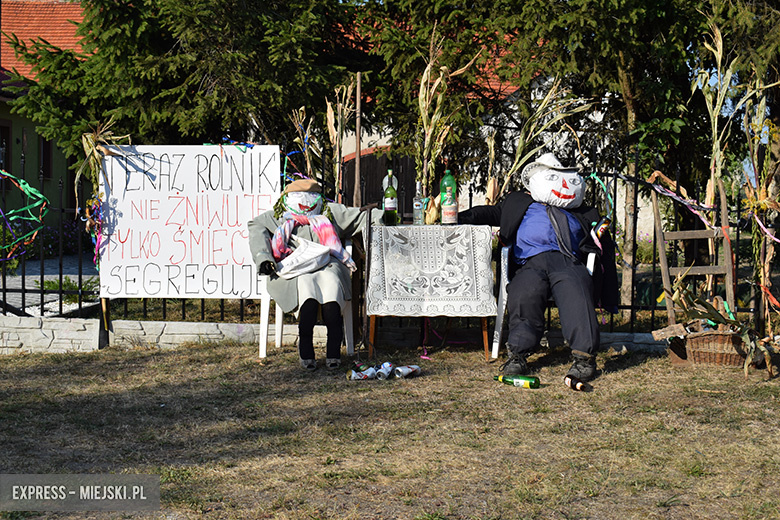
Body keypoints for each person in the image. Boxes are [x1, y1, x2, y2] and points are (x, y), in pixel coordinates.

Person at [458, 153, 619, 381]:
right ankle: (518, 354)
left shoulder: (581, 210)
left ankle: (584, 358)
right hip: (530, 262)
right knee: (525, 292)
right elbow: (491, 212)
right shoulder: (519, 202)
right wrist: (459, 217)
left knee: (577, 290)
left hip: (567, 260)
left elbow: (602, 241)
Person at [248, 179, 378, 371]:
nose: (304, 202)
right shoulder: (277, 218)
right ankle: (306, 349)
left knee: (332, 288)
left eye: (310, 197)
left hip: (328, 263)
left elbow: (362, 216)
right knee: (306, 290)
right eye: (298, 197)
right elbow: (256, 228)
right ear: (286, 200)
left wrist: (384, 218)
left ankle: (333, 350)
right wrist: (264, 258)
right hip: (294, 267)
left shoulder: (331, 213)